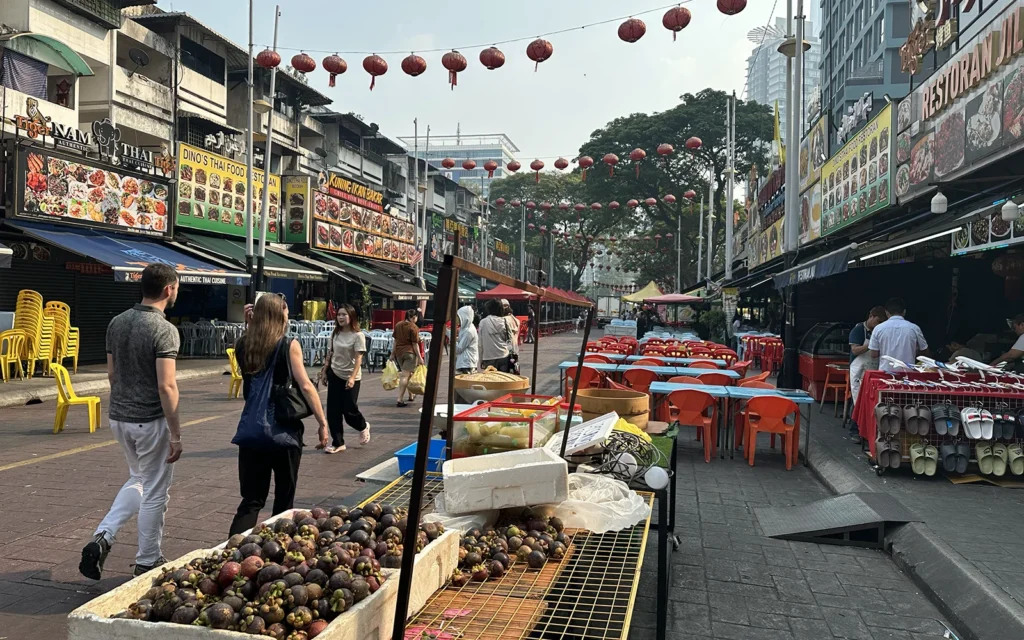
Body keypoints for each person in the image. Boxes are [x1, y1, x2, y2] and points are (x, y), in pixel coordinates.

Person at [80, 264, 183, 579]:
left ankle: (104, 536)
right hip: (149, 420)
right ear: (168, 289)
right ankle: (148, 560)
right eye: (176, 287)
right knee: (155, 490)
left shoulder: (117, 322)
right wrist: (176, 434)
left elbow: (112, 374)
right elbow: (166, 385)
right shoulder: (164, 329)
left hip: (120, 418)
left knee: (138, 478)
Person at [228, 294, 328, 536]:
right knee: (284, 501)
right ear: (279, 314)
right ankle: (275, 549)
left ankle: (231, 552)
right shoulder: (288, 344)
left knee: (251, 501)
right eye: (285, 309)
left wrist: (248, 325)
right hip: (284, 432)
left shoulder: (243, 344)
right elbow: (305, 385)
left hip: (251, 432)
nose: (288, 314)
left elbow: (254, 350)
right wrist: (322, 422)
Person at [319, 303, 370, 453]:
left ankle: (362, 426)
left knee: (349, 410)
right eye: (339, 314)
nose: (340, 317)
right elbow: (330, 354)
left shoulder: (358, 335)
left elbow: (359, 358)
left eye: (344, 315)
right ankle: (338, 443)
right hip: (334, 373)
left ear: (351, 316)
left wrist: (353, 377)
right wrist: (324, 371)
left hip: (350, 376)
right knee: (333, 411)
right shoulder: (335, 333)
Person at [847, 306, 886, 438]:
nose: (879, 325)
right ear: (871, 316)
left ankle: (868, 430)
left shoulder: (879, 331)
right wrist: (870, 345)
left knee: (871, 401)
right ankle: (855, 430)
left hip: (874, 369)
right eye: (878, 321)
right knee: (857, 399)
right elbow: (855, 350)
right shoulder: (858, 330)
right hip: (859, 370)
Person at [869, 298, 929, 373]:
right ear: (904, 312)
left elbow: (873, 354)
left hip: (886, 373)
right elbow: (924, 352)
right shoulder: (914, 328)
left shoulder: (878, 329)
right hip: (908, 374)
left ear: (887, 312)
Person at [391, 309, 423, 407]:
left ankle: (411, 395)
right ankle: (400, 399)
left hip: (399, 353)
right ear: (413, 318)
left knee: (408, 374)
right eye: (416, 317)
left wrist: (392, 353)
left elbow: (395, 341)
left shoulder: (398, 325)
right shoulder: (414, 327)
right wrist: (419, 357)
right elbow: (415, 344)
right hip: (410, 353)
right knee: (405, 375)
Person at [479, 299, 518, 372]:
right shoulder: (505, 321)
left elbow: (480, 343)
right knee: (503, 380)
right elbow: (510, 339)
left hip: (488, 356)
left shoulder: (483, 322)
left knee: (492, 381)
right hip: (503, 355)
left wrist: (481, 359)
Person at [455, 305, 479, 374]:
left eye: (458, 317)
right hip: (465, 362)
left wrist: (453, 339)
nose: (457, 319)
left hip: (467, 364)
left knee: (465, 384)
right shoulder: (465, 328)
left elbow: (459, 349)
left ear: (464, 317)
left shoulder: (469, 331)